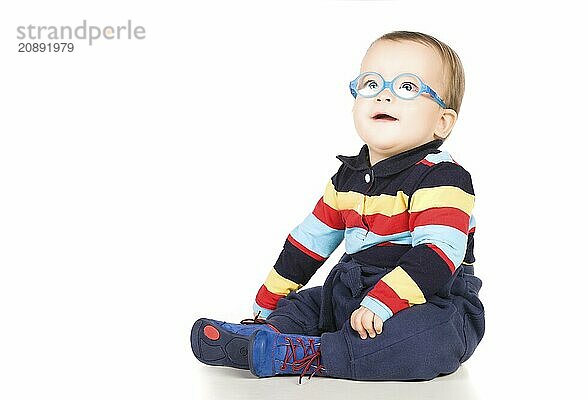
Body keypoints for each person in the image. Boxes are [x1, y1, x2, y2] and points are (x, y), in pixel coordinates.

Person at [191, 30, 484, 384]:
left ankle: (312, 355)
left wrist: (381, 302)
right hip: (354, 291)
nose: (386, 96)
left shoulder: (443, 178)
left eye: (407, 87)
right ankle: (268, 337)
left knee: (423, 340)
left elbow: (437, 254)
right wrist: (269, 301)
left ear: (442, 122)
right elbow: (307, 243)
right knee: (306, 305)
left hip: (429, 299)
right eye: (372, 84)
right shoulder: (348, 177)